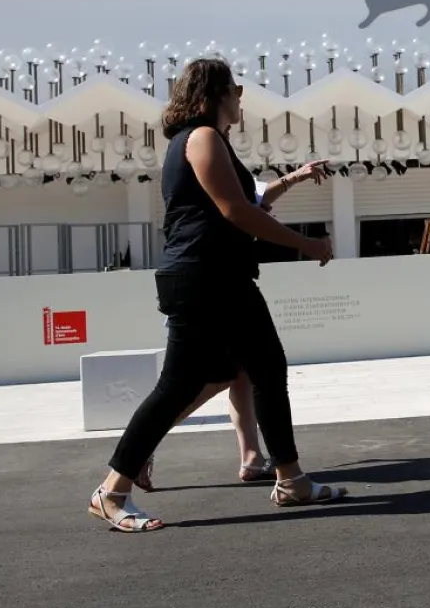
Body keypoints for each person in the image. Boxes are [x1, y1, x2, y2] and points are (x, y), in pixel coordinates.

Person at [88, 58, 344, 533]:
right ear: (212, 96)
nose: (241, 96)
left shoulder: (211, 141)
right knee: (183, 385)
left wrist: (293, 181)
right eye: (235, 88)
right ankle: (112, 489)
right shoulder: (202, 138)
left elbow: (248, 202)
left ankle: (290, 479)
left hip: (217, 277)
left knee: (261, 368)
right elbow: (236, 213)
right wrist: (305, 244)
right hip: (205, 278)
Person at [131, 160, 332, 493]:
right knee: (204, 380)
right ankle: (138, 450)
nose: (238, 108)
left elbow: (259, 196)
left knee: (240, 372)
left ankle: (252, 457)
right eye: (235, 103)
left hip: (214, 283)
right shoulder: (207, 155)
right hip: (211, 287)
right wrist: (304, 241)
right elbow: (247, 207)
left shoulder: (214, 161)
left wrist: (296, 176)